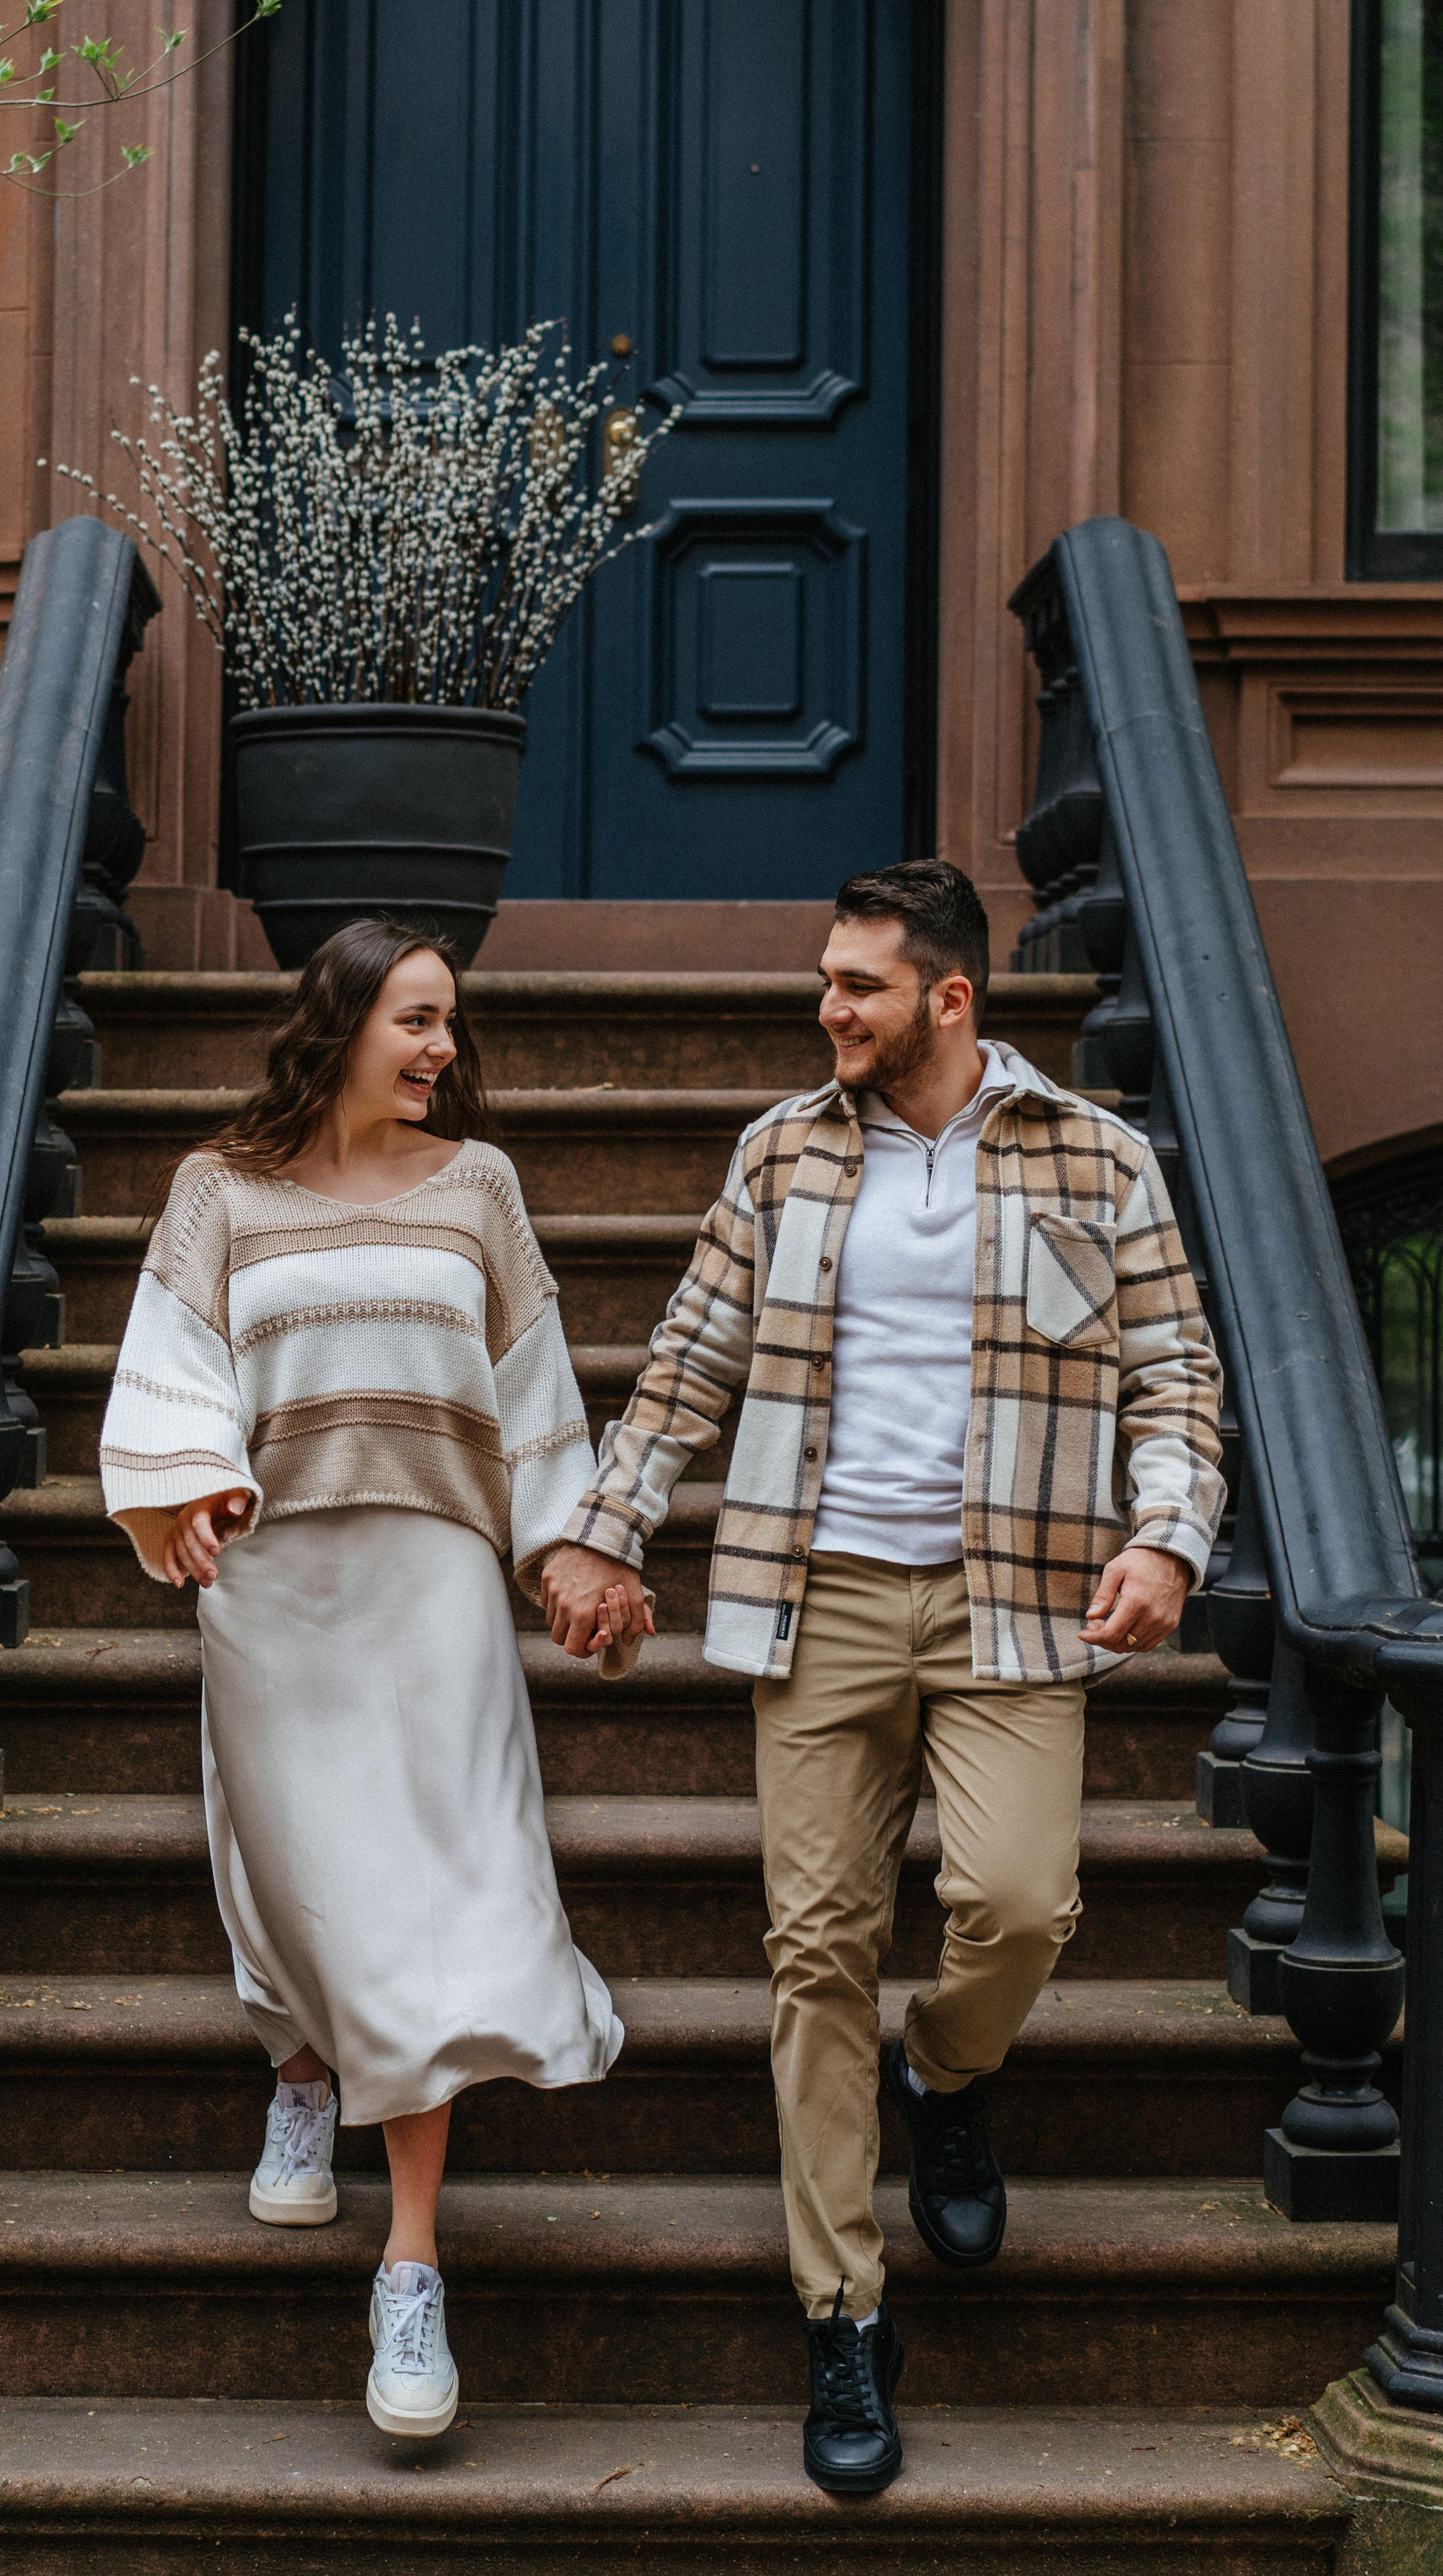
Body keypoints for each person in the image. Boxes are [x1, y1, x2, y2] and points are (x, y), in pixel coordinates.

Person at [541, 859, 1224, 2496]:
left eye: (857, 983)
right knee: (812, 1952)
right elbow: (688, 1361)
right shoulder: (780, 1155)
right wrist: (605, 1532)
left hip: (1015, 1601)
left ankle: (949, 2075)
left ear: (948, 996)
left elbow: (1174, 1375)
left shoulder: (1093, 1155)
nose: (826, 1007)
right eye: (825, 980)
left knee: (1015, 1903)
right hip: (821, 1592)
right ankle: (842, 2312)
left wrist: (1167, 1540)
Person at [99, 918, 639, 2443]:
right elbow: (169, 1370)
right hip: (277, 1586)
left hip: (436, 1582)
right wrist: (190, 1485)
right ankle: (294, 2058)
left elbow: (532, 1392)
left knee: (437, 1896)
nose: (441, 1050)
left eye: (449, 1023)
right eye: (416, 1020)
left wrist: (564, 1557)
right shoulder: (216, 1188)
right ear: (339, 1022)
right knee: (304, 1876)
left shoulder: (480, 1189)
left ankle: (408, 2264)